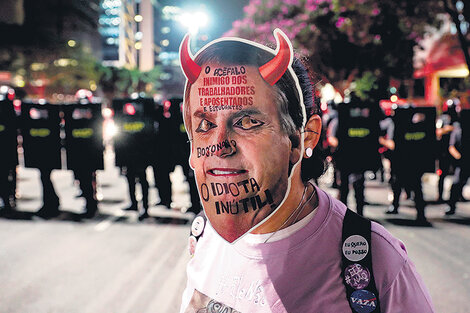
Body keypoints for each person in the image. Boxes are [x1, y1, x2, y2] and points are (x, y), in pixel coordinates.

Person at [178, 29, 434, 312]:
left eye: (248, 122)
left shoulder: (375, 260)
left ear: (304, 137)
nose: (219, 146)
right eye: (204, 125)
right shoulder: (205, 236)